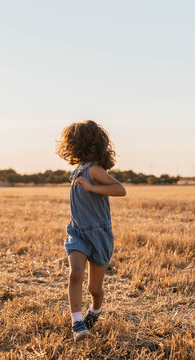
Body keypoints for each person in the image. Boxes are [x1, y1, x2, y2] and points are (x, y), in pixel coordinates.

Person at [56, 120, 126, 342]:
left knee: (94, 289)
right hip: (77, 232)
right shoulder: (77, 170)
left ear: (79, 145)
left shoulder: (94, 170)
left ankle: (95, 311)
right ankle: (77, 323)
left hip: (99, 235)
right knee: (75, 274)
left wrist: (92, 187)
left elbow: (120, 189)